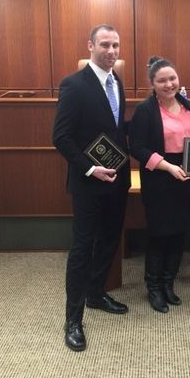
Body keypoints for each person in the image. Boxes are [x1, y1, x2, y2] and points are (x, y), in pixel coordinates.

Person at [52, 24, 130, 352]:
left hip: (117, 180)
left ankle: (96, 293)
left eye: (115, 45)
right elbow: (61, 137)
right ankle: (73, 320)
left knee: (110, 240)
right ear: (90, 46)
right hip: (88, 182)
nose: (111, 51)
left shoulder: (118, 82)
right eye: (105, 45)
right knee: (82, 249)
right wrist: (89, 167)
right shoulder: (74, 84)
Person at [129, 57, 190, 313]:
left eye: (172, 78)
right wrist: (168, 167)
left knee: (179, 232)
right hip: (160, 177)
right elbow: (136, 146)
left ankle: (169, 283)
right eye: (162, 80)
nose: (169, 84)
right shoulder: (145, 110)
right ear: (152, 84)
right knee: (159, 234)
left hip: (187, 177)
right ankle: (154, 287)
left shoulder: (187, 105)